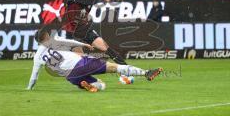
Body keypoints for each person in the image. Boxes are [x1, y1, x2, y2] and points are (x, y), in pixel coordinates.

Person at [27, 29, 163, 92]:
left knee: (102, 86)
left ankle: (87, 85)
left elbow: (34, 77)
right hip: (81, 64)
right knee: (116, 67)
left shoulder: (37, 57)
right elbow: (68, 41)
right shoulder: (53, 41)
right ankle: (146, 73)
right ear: (45, 37)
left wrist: (29, 89)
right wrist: (83, 45)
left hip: (70, 76)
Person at [64, 0, 128, 65]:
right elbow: (84, 1)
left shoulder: (88, 1)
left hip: (84, 30)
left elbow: (88, 4)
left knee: (106, 48)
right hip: (73, 32)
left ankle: (126, 70)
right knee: (80, 61)